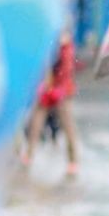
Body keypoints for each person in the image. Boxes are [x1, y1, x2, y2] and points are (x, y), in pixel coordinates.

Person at [22, 28, 80, 175]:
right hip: (46, 92)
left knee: (68, 127)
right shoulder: (49, 47)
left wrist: (58, 88)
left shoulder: (66, 50)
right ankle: (29, 155)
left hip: (62, 93)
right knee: (35, 123)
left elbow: (66, 71)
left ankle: (73, 161)